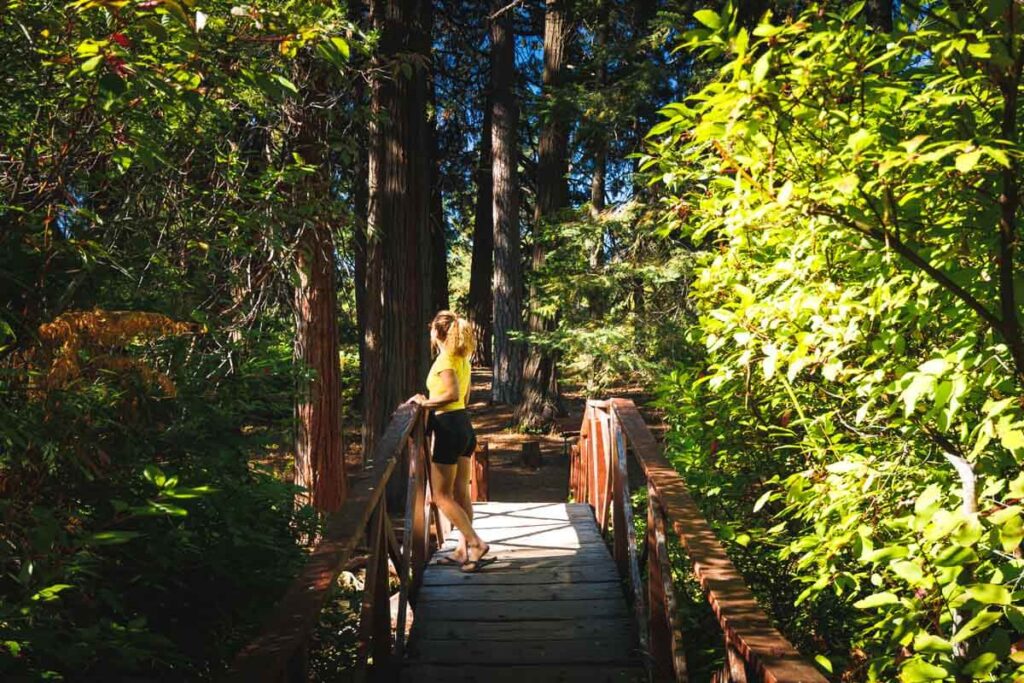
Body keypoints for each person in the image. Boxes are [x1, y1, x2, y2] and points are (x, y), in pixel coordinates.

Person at [408, 310, 493, 572]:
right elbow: (464, 399)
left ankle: (476, 543)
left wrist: (423, 403)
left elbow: (452, 394)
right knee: (460, 493)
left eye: (431, 329)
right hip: (464, 427)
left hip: (448, 427)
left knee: (442, 495)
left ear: (437, 332)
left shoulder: (445, 360)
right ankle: (462, 549)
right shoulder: (462, 359)